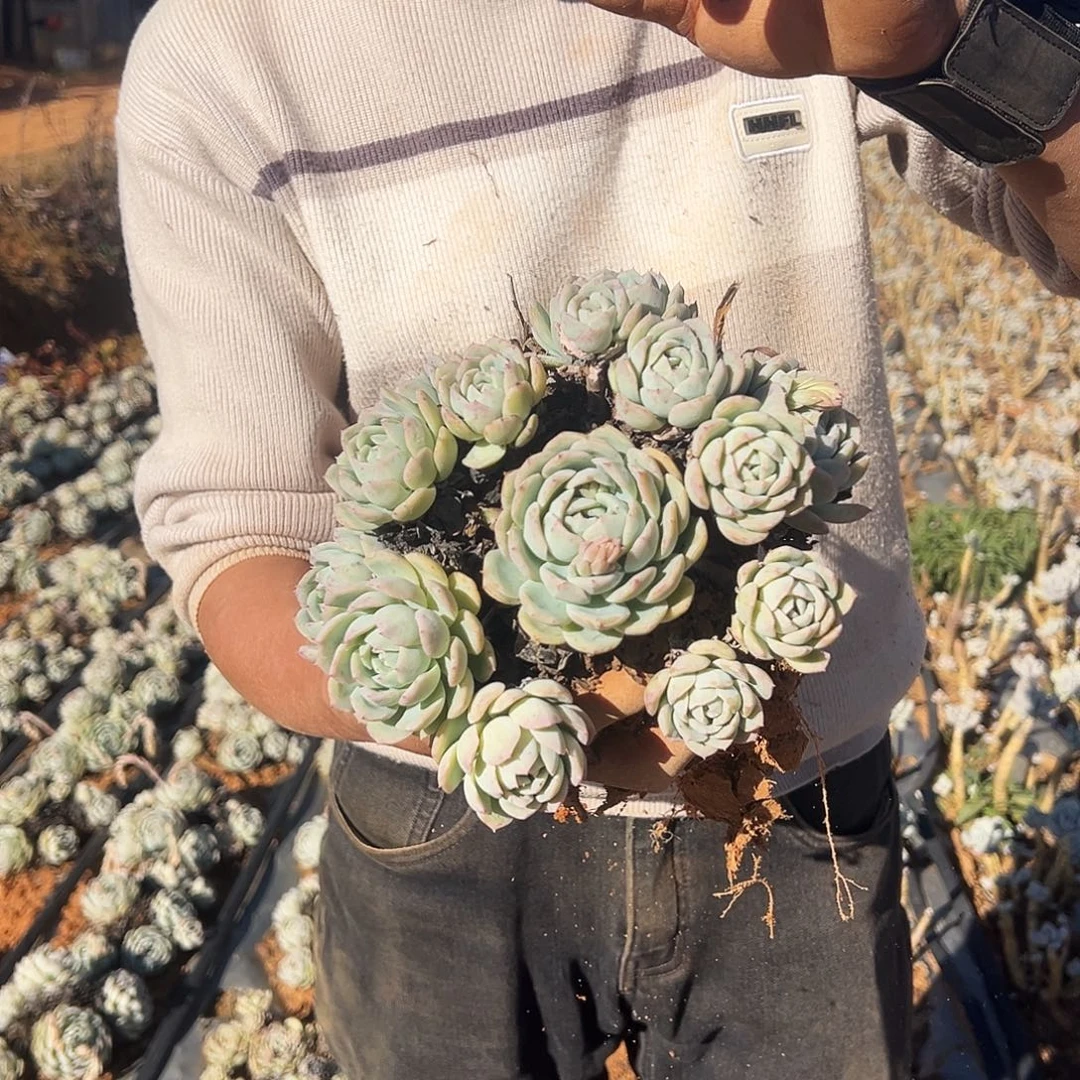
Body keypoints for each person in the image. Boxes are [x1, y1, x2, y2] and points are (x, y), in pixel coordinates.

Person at [115, 2, 1080, 1077]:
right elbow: (235, 530)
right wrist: (511, 712)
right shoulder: (219, 49)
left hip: (797, 776)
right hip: (445, 808)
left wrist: (947, 42)